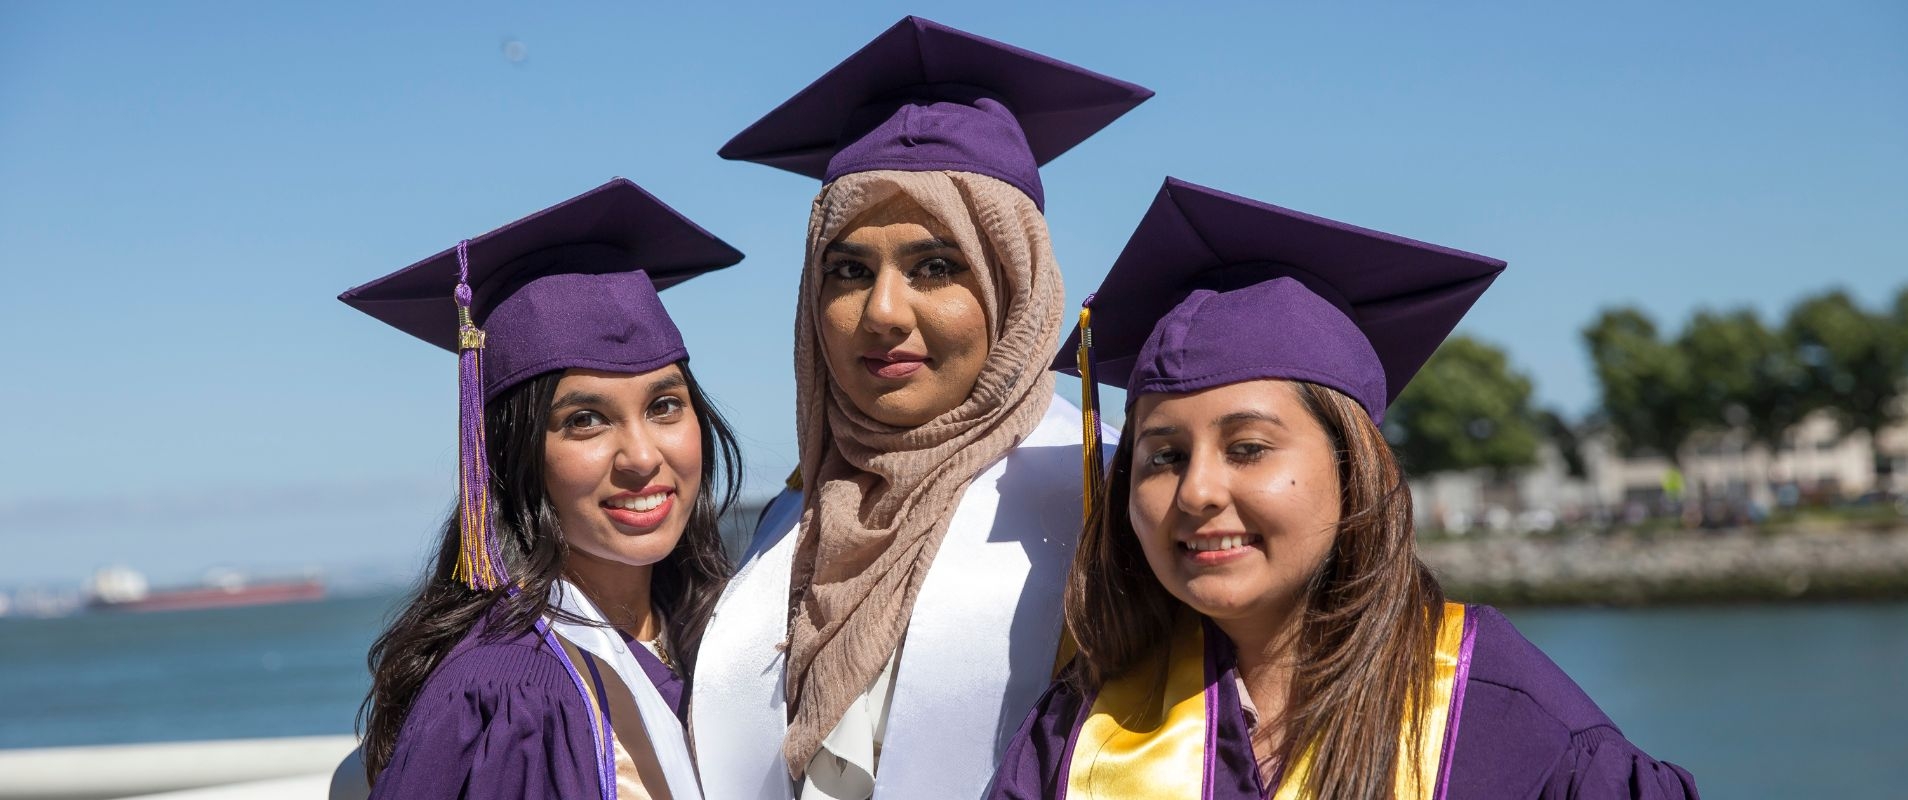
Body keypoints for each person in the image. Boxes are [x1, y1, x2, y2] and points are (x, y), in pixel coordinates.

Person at [989, 178, 1700, 799]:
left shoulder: (1493, 711)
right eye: (1162, 456)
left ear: (1352, 470)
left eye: (1248, 448)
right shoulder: (1086, 731)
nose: (1198, 490)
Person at [689, 16, 1152, 800]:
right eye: (847, 270)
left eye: (937, 266)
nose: (883, 312)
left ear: (1016, 286)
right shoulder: (794, 520)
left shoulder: (1115, 502)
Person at [338, 178, 744, 800]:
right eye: (585, 420)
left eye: (665, 405)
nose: (641, 456)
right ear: (516, 456)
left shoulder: (717, 635)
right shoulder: (507, 694)